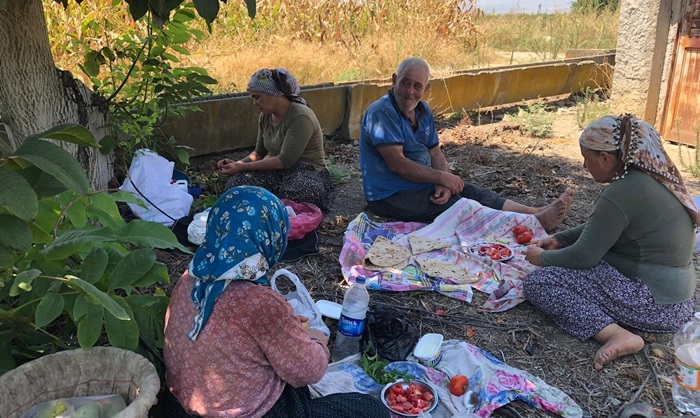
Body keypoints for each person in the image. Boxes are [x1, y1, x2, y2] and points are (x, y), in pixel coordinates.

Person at [163, 186, 388, 418]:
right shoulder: (259, 302)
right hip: (245, 413)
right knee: (371, 410)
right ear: (271, 237)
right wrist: (315, 339)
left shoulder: (190, 278)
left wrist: (286, 330)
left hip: (182, 406)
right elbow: (308, 372)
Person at [523, 114, 700, 371]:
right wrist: (560, 238)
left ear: (605, 158)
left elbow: (584, 257)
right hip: (680, 303)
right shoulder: (649, 178)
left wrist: (542, 259)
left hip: (654, 303)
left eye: (587, 158)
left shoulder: (621, 192)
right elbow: (604, 227)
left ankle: (615, 334)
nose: (584, 165)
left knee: (540, 282)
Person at [359, 57, 572, 229]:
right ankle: (531, 224)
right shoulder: (382, 112)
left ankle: (534, 213)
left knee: (473, 192)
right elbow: (398, 164)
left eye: (417, 86)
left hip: (419, 185)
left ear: (427, 89)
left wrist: (444, 182)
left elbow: (435, 153)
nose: (410, 91)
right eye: (405, 82)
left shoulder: (422, 110)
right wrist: (442, 177)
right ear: (394, 80)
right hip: (389, 196)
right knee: (463, 208)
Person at [216, 68, 333, 212]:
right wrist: (236, 165)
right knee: (236, 184)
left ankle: (269, 206)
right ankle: (270, 205)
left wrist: (242, 167)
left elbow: (285, 160)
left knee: (302, 192)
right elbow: (258, 153)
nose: (255, 104)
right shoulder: (265, 116)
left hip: (305, 170)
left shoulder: (301, 116)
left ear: (275, 93)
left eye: (257, 97)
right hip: (274, 170)